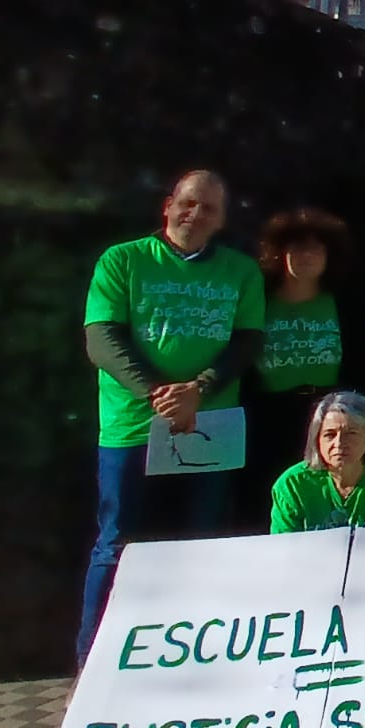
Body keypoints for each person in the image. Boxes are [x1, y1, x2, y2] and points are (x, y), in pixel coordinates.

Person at [80, 169, 266, 664]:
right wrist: (158, 394)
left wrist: (198, 390)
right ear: (167, 206)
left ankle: (187, 662)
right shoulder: (123, 260)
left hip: (210, 426)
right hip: (132, 426)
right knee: (116, 545)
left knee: (200, 545)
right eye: (188, 203)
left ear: (222, 220)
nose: (195, 214)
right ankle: (92, 663)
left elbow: (247, 342)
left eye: (209, 208)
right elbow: (102, 338)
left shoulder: (241, 271)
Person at [247, 208, 350, 528]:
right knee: (266, 496)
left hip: (326, 413)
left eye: (316, 250)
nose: (307, 256)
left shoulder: (345, 303)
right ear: (280, 254)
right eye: (298, 248)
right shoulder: (258, 300)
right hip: (269, 415)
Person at [269, 392, 365, 533]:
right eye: (330, 435)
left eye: (351, 433)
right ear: (317, 441)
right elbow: (284, 546)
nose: (339, 443)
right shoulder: (292, 485)